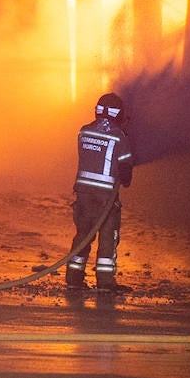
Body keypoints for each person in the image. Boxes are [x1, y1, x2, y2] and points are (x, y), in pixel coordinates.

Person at [66, 91, 134, 290]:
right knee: (107, 237)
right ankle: (105, 282)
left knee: (83, 235)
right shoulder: (120, 137)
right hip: (106, 197)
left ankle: (74, 279)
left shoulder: (84, 131)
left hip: (83, 194)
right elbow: (125, 172)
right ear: (119, 114)